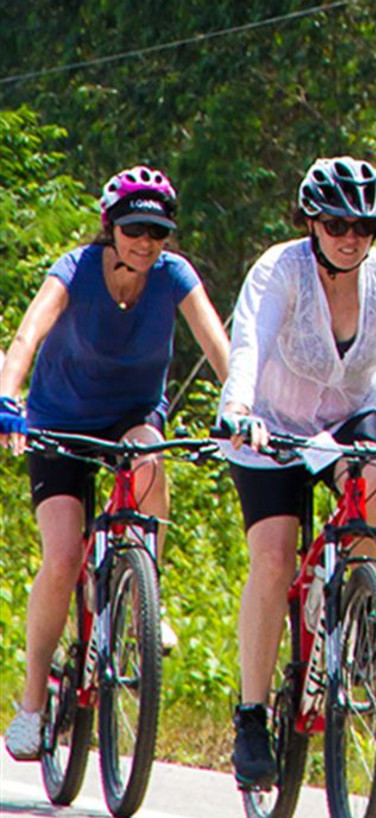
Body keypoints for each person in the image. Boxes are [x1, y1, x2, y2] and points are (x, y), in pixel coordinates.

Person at [215, 156, 376, 787]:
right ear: (311, 222)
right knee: (273, 555)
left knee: (375, 491)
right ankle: (253, 716)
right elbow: (250, 343)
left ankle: (363, 614)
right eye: (338, 223)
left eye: (366, 226)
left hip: (352, 414)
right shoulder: (280, 270)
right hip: (272, 420)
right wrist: (237, 408)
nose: (352, 236)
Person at [2, 166, 231, 761]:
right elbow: (28, 335)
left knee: (149, 454)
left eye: (157, 232)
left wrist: (243, 404)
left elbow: (215, 344)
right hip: (58, 420)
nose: (146, 243)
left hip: (129, 413)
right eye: (134, 230)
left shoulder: (174, 275)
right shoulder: (75, 270)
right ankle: (31, 705)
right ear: (111, 228)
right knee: (63, 554)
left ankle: (142, 590)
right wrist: (8, 397)